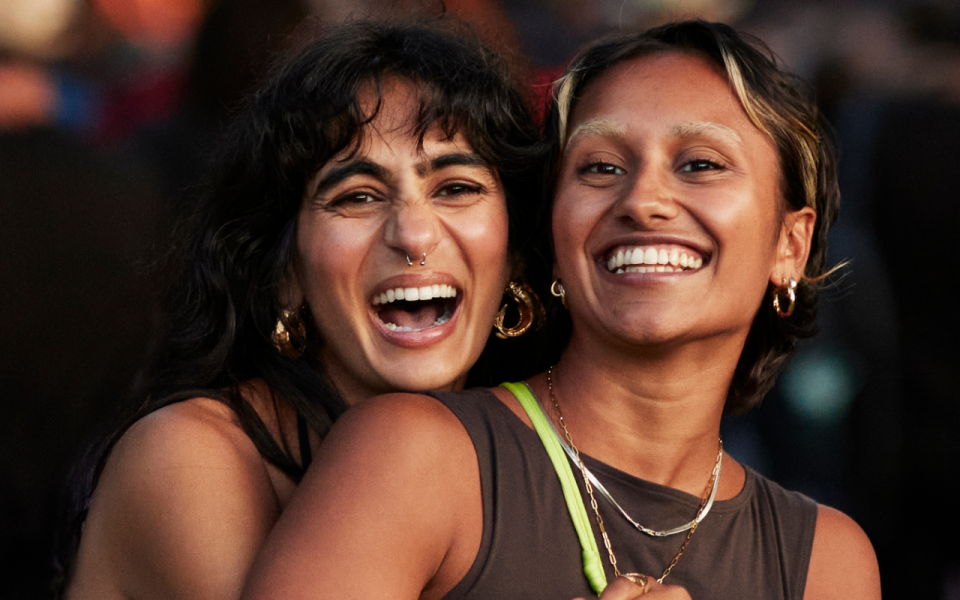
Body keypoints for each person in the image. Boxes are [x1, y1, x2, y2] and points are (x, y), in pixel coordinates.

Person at [241, 20, 881, 600]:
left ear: (789, 245)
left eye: (701, 164)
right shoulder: (414, 457)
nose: (643, 200)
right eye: (600, 167)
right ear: (550, 234)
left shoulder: (827, 560)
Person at [63, 17, 542, 599]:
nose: (414, 234)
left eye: (455, 187)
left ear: (514, 255)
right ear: (285, 271)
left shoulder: (526, 446)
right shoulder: (187, 457)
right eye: (357, 196)